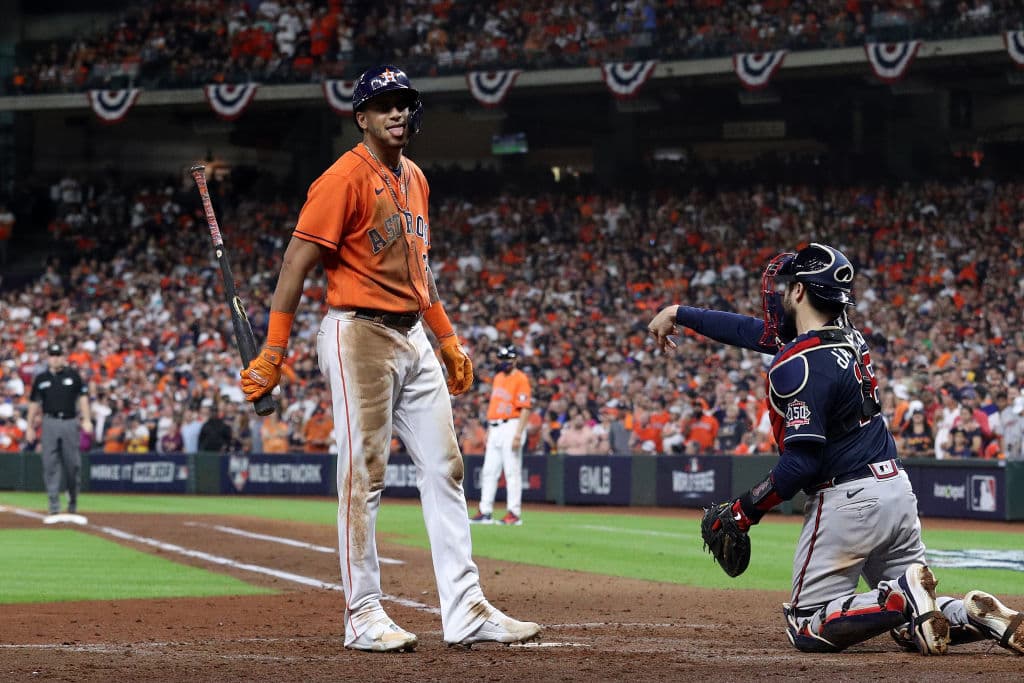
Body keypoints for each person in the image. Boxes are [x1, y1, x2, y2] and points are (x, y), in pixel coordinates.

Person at [238, 64, 540, 652]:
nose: (398, 113)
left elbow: (418, 272)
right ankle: (363, 613)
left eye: (404, 103)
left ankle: (465, 609)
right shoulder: (342, 179)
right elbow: (295, 265)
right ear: (363, 117)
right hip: (359, 334)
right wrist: (275, 350)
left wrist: (447, 338)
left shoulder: (417, 178)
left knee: (446, 469)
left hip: (413, 335)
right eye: (385, 106)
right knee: (364, 475)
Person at [648, 242, 1023, 656]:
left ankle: (900, 595)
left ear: (800, 292)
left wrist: (744, 510)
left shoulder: (796, 362)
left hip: (848, 500)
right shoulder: (849, 339)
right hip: (896, 491)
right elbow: (755, 333)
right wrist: (681, 314)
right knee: (910, 623)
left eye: (786, 286)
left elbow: (800, 465)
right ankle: (971, 613)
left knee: (807, 624)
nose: (777, 296)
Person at [26, 343, 92, 515]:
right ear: (48, 357)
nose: (55, 358)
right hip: (49, 422)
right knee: (50, 464)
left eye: (58, 355)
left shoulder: (74, 376)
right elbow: (34, 403)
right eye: (52, 355)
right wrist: (29, 427)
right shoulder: (41, 379)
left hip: (70, 422)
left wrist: (86, 419)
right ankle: (54, 504)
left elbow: (83, 398)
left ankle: (73, 502)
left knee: (73, 464)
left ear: (64, 357)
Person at [471, 346, 532, 526]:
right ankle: (485, 511)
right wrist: (490, 428)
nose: (504, 362)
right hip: (496, 426)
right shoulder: (498, 378)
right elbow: (495, 404)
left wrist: (519, 434)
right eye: (502, 359)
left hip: (512, 426)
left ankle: (514, 513)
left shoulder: (521, 378)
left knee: (512, 472)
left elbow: (525, 408)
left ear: (515, 360)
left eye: (508, 359)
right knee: (489, 471)